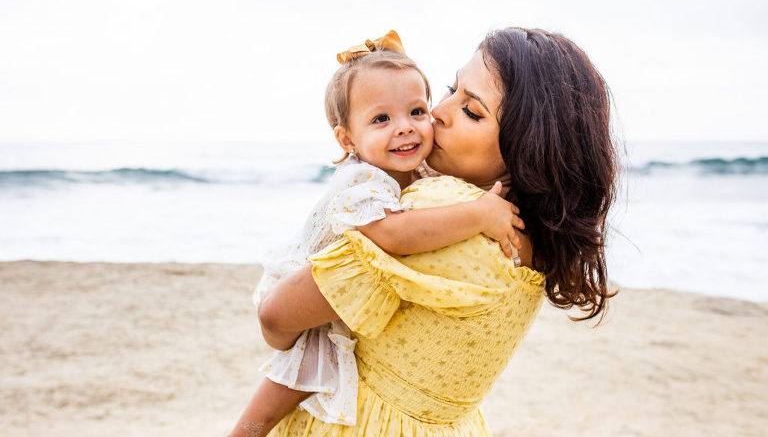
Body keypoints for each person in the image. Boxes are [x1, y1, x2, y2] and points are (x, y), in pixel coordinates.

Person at [256, 27, 619, 436]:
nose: (437, 113)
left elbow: (274, 315)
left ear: (528, 149)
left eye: (472, 111)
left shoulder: (445, 209)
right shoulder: (535, 241)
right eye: (451, 89)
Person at [228, 31, 524, 437]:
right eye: (381, 119)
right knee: (299, 368)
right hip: (304, 274)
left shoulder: (424, 170)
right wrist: (477, 214)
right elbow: (394, 236)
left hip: (338, 290)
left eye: (417, 110)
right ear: (348, 140)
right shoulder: (362, 181)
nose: (408, 127)